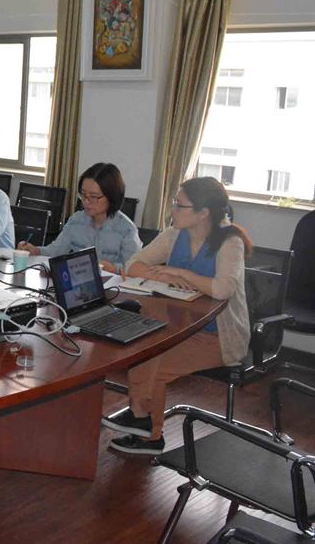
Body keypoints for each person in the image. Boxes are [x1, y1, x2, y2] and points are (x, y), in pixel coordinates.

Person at [103, 177, 251, 455]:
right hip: (176, 328)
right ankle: (143, 424)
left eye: (179, 205)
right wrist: (166, 277)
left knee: (153, 363)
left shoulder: (230, 242)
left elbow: (223, 289)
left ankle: (147, 430)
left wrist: (182, 273)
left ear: (203, 212)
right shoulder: (174, 235)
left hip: (218, 337)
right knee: (144, 350)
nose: (173, 209)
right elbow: (133, 265)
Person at [17, 162, 141, 272]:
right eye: (83, 194)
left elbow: (133, 268)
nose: (86, 201)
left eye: (93, 197)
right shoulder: (76, 220)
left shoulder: (127, 230)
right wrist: (35, 251)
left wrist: (113, 268)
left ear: (112, 196)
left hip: (113, 287)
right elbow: (56, 251)